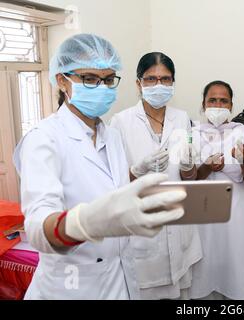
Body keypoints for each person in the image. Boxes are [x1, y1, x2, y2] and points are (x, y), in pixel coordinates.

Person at [13, 34, 185, 300]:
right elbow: (37, 230)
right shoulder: (44, 138)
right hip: (71, 285)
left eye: (107, 79)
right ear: (62, 80)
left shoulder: (111, 135)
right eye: (90, 79)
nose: (102, 88)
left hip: (120, 278)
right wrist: (88, 221)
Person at [110, 52, 202, 300]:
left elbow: (189, 178)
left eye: (165, 79)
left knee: (182, 295)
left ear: (173, 82)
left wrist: (187, 166)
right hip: (143, 229)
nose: (158, 85)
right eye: (151, 79)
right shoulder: (121, 122)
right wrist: (137, 170)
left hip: (178, 223)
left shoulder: (182, 118)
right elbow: (114, 186)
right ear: (138, 83)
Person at [185, 81, 244, 300]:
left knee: (238, 273)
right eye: (212, 100)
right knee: (205, 273)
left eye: (223, 101)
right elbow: (190, 178)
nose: (218, 105)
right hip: (202, 217)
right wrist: (207, 166)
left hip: (236, 216)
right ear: (203, 104)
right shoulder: (192, 133)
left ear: (231, 105)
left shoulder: (243, 132)